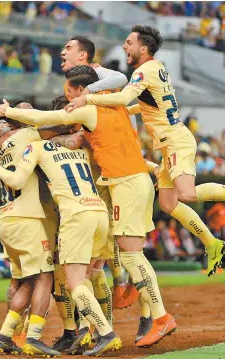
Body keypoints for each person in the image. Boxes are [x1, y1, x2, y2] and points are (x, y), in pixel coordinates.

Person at [66, 24, 225, 277]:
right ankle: (212, 244)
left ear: (143, 48)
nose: (124, 47)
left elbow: (123, 99)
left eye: (129, 43)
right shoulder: (158, 68)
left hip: (176, 140)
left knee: (186, 194)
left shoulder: (144, 71)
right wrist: (114, 113)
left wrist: (87, 98)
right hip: (168, 143)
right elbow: (143, 107)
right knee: (167, 203)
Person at [0, 67, 177, 348]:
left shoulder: (43, 144)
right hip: (102, 209)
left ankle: (95, 330)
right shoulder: (92, 136)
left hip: (74, 215)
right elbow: (121, 85)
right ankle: (113, 320)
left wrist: (8, 117)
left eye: (72, 94)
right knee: (101, 269)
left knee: (70, 279)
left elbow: (35, 132)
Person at [0, 120, 123, 357]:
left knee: (60, 281)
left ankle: (101, 333)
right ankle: (84, 331)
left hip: (52, 217)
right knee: (86, 275)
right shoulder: (80, 149)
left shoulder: (32, 147)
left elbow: (12, 176)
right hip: (99, 211)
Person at [60, 36, 140, 313]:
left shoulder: (94, 73)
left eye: (68, 48)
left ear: (83, 56)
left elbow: (120, 77)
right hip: (102, 163)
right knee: (104, 244)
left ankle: (123, 287)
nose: (62, 52)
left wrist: (86, 94)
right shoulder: (72, 82)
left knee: (115, 235)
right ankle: (116, 296)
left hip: (116, 161)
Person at [0, 102, 59, 357]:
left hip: (6, 221)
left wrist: (6, 133)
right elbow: (59, 128)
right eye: (27, 109)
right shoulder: (29, 133)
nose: (30, 110)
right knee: (46, 277)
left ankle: (5, 335)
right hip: (27, 219)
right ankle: (33, 337)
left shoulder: (5, 145)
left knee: (26, 281)